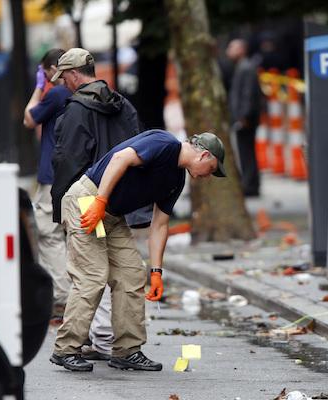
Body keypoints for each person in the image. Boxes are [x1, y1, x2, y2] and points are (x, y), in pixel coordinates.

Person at [49, 130, 226, 372]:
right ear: (204, 155)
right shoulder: (164, 143)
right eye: (212, 169)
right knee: (92, 276)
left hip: (112, 216)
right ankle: (66, 349)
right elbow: (120, 159)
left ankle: (127, 350)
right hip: (88, 200)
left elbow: (160, 225)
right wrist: (100, 201)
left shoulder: (176, 180)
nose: (208, 177)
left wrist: (156, 272)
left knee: (132, 275)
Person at [49, 47, 146, 361]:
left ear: (74, 75)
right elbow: (138, 155)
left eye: (63, 77)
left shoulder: (75, 111)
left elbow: (66, 162)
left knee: (94, 275)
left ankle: (105, 348)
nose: (62, 83)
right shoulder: (123, 106)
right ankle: (116, 347)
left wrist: (61, 209)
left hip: (88, 203)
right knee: (127, 276)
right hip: (112, 204)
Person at [23, 48, 71, 317]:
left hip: (51, 176)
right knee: (72, 235)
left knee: (49, 233)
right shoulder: (79, 93)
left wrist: (39, 87)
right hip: (74, 174)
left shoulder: (55, 93)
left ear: (53, 69)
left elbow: (29, 118)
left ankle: (63, 296)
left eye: (45, 71)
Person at [226, 38, 262, 197]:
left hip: (245, 119)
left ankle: (250, 184)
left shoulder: (246, 68)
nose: (229, 51)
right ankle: (250, 182)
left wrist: (244, 116)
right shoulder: (242, 67)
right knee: (245, 151)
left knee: (246, 151)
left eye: (232, 48)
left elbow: (248, 94)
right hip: (242, 117)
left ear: (241, 50)